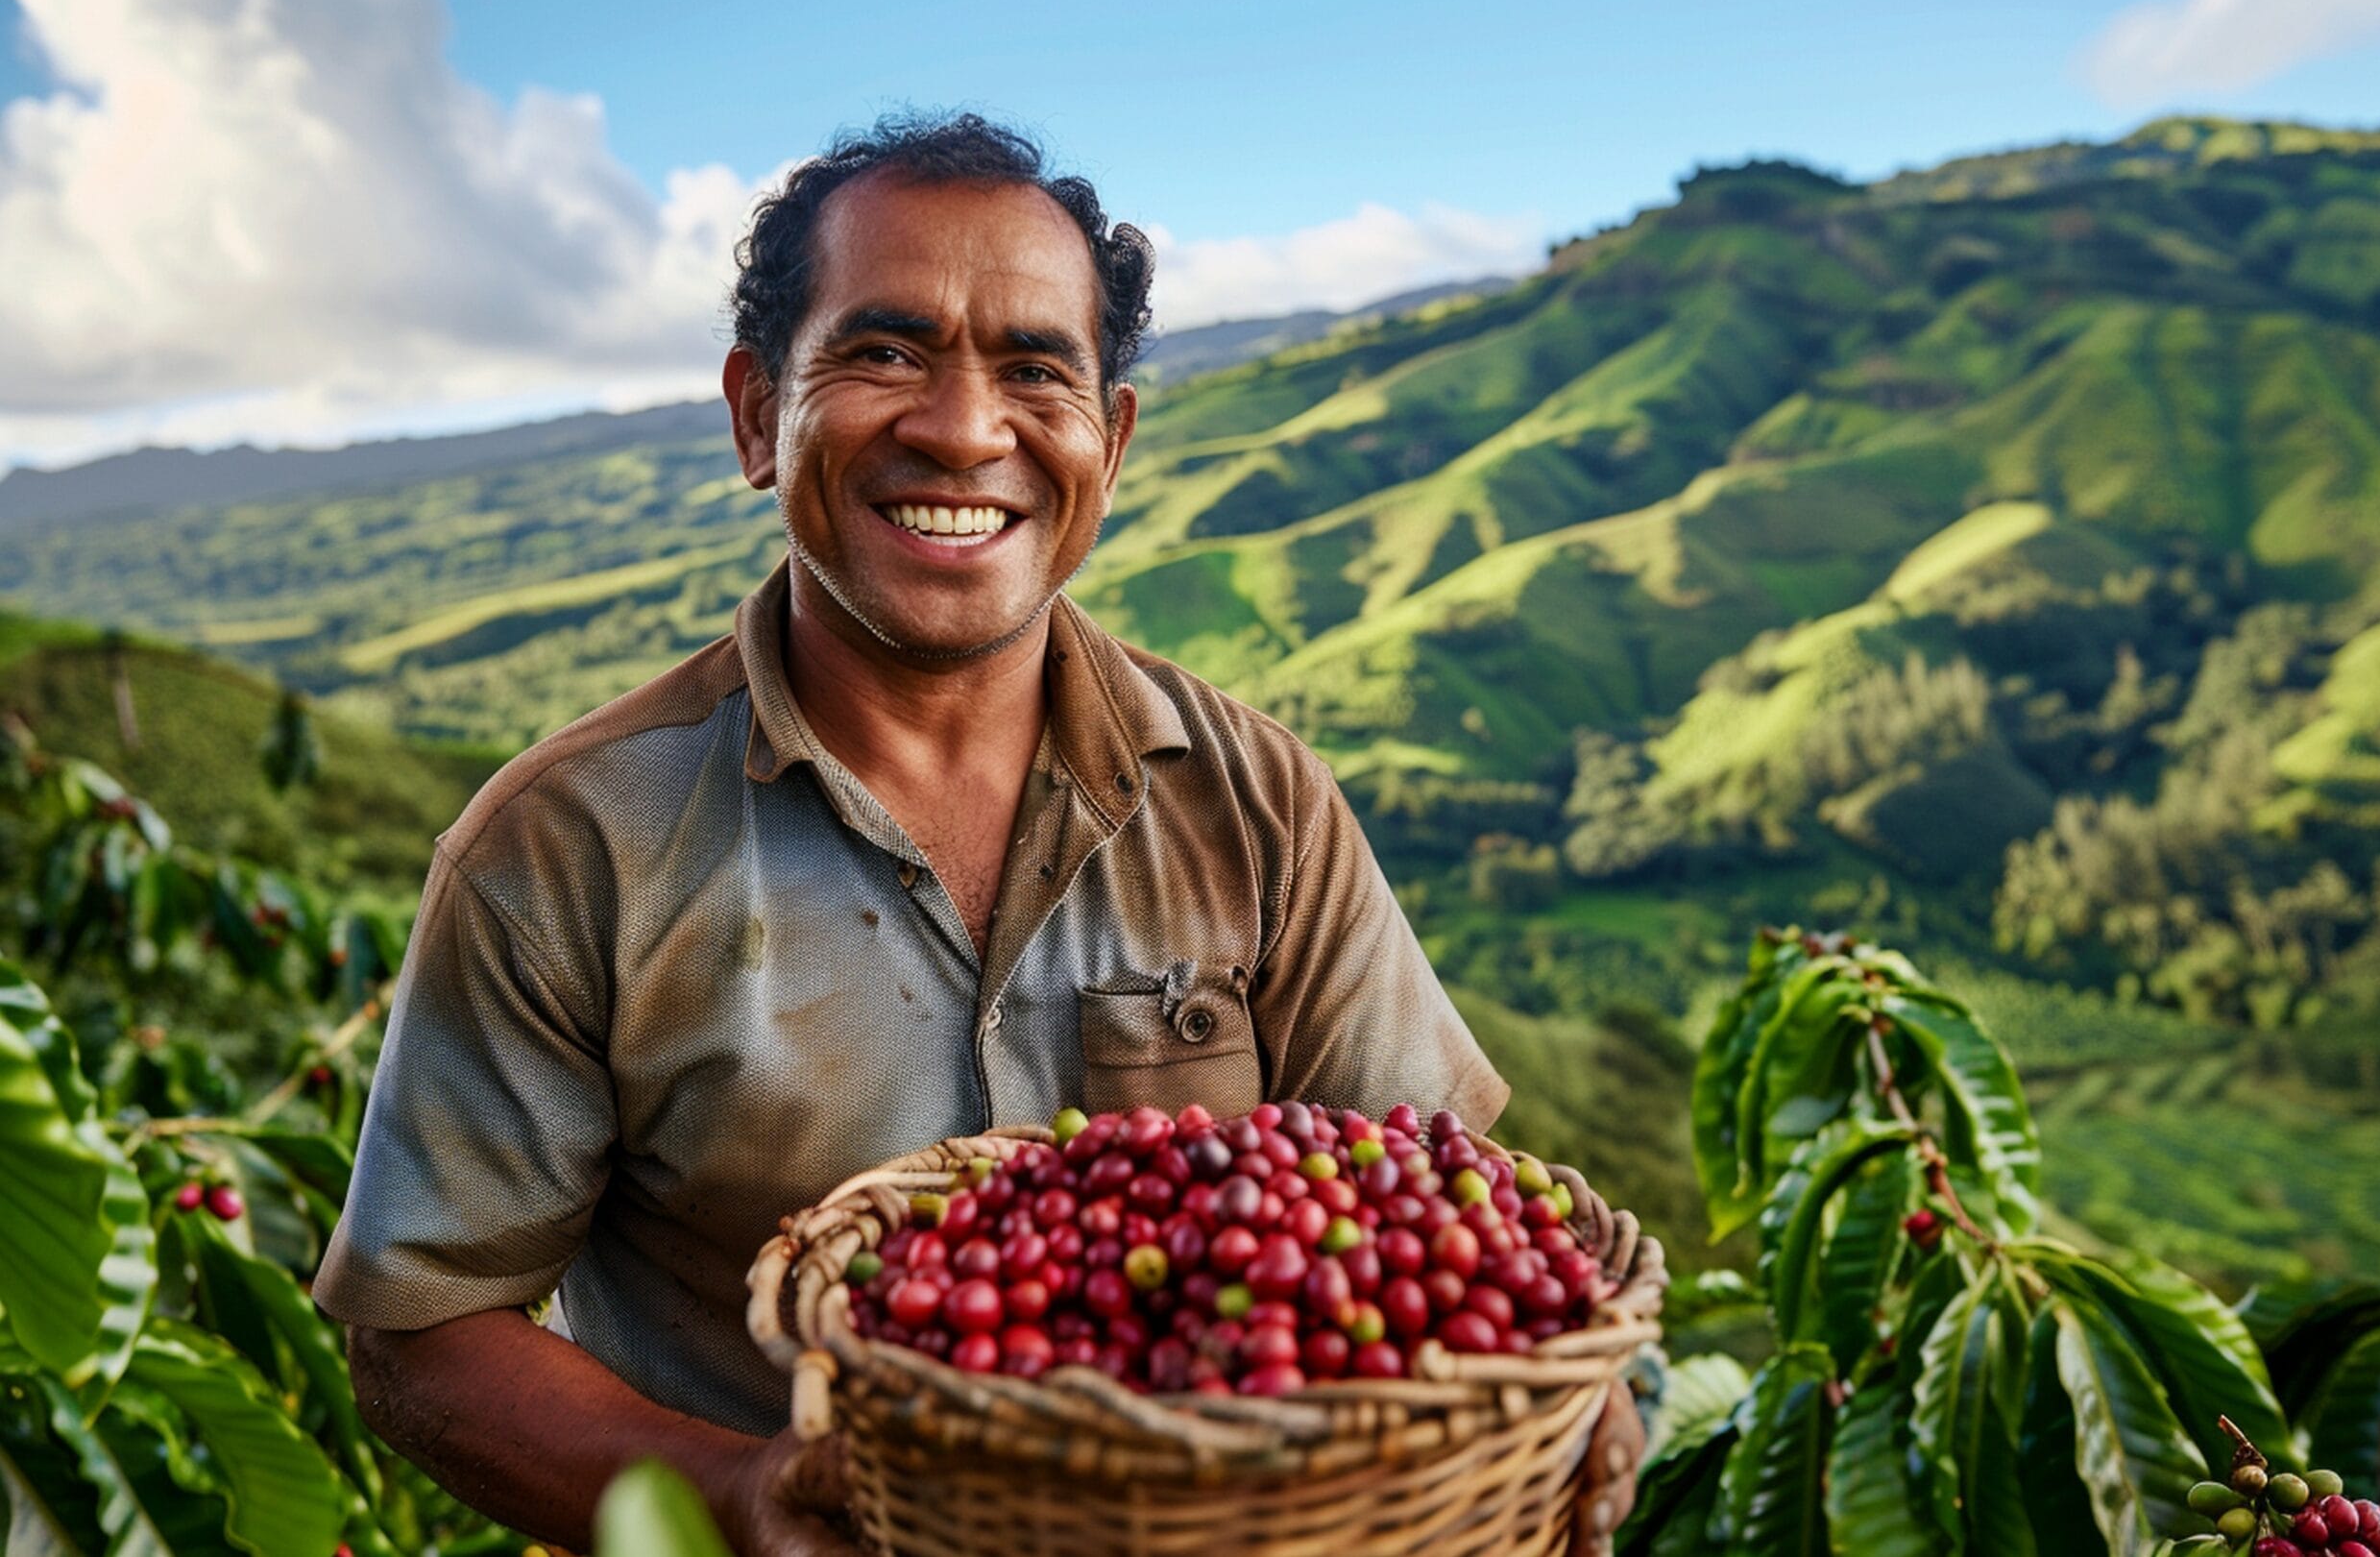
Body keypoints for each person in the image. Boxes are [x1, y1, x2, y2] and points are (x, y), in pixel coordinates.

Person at [314, 113, 1635, 1555]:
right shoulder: (568, 847)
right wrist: (744, 1502)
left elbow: (1441, 1218)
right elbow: (422, 1332)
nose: (962, 426)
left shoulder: (1256, 802)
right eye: (883, 353)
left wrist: (1559, 1412)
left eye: (1034, 368)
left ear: (1108, 446)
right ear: (759, 414)